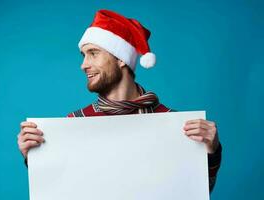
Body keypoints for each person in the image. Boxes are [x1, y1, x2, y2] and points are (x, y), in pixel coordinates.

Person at [17, 9, 222, 192]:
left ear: (121, 58)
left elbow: (196, 191)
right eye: (83, 55)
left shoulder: (174, 123)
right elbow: (61, 190)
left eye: (93, 53)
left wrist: (211, 151)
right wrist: (35, 157)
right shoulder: (74, 123)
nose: (83, 65)